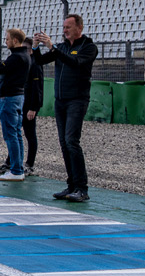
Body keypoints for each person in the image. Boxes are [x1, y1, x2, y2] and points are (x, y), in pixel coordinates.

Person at [32, 15, 98, 203]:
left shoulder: (88, 47)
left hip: (77, 100)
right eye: (64, 27)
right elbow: (40, 61)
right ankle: (71, 185)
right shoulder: (62, 47)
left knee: (71, 141)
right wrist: (36, 47)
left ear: (79, 27)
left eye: (68, 27)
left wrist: (53, 48)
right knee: (64, 142)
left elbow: (75, 62)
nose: (65, 30)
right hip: (60, 100)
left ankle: (82, 188)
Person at [0, 28, 31, 182]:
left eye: (8, 39)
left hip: (9, 99)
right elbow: (5, 68)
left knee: (11, 135)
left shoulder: (16, 57)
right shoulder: (23, 56)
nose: (6, 42)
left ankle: (16, 170)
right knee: (16, 134)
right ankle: (18, 168)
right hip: (18, 97)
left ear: (15, 40)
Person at [22, 44, 44, 175]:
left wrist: (33, 107)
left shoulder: (34, 64)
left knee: (30, 134)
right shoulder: (26, 62)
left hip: (29, 105)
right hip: (22, 103)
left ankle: (30, 164)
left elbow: (37, 87)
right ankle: (10, 161)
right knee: (15, 133)